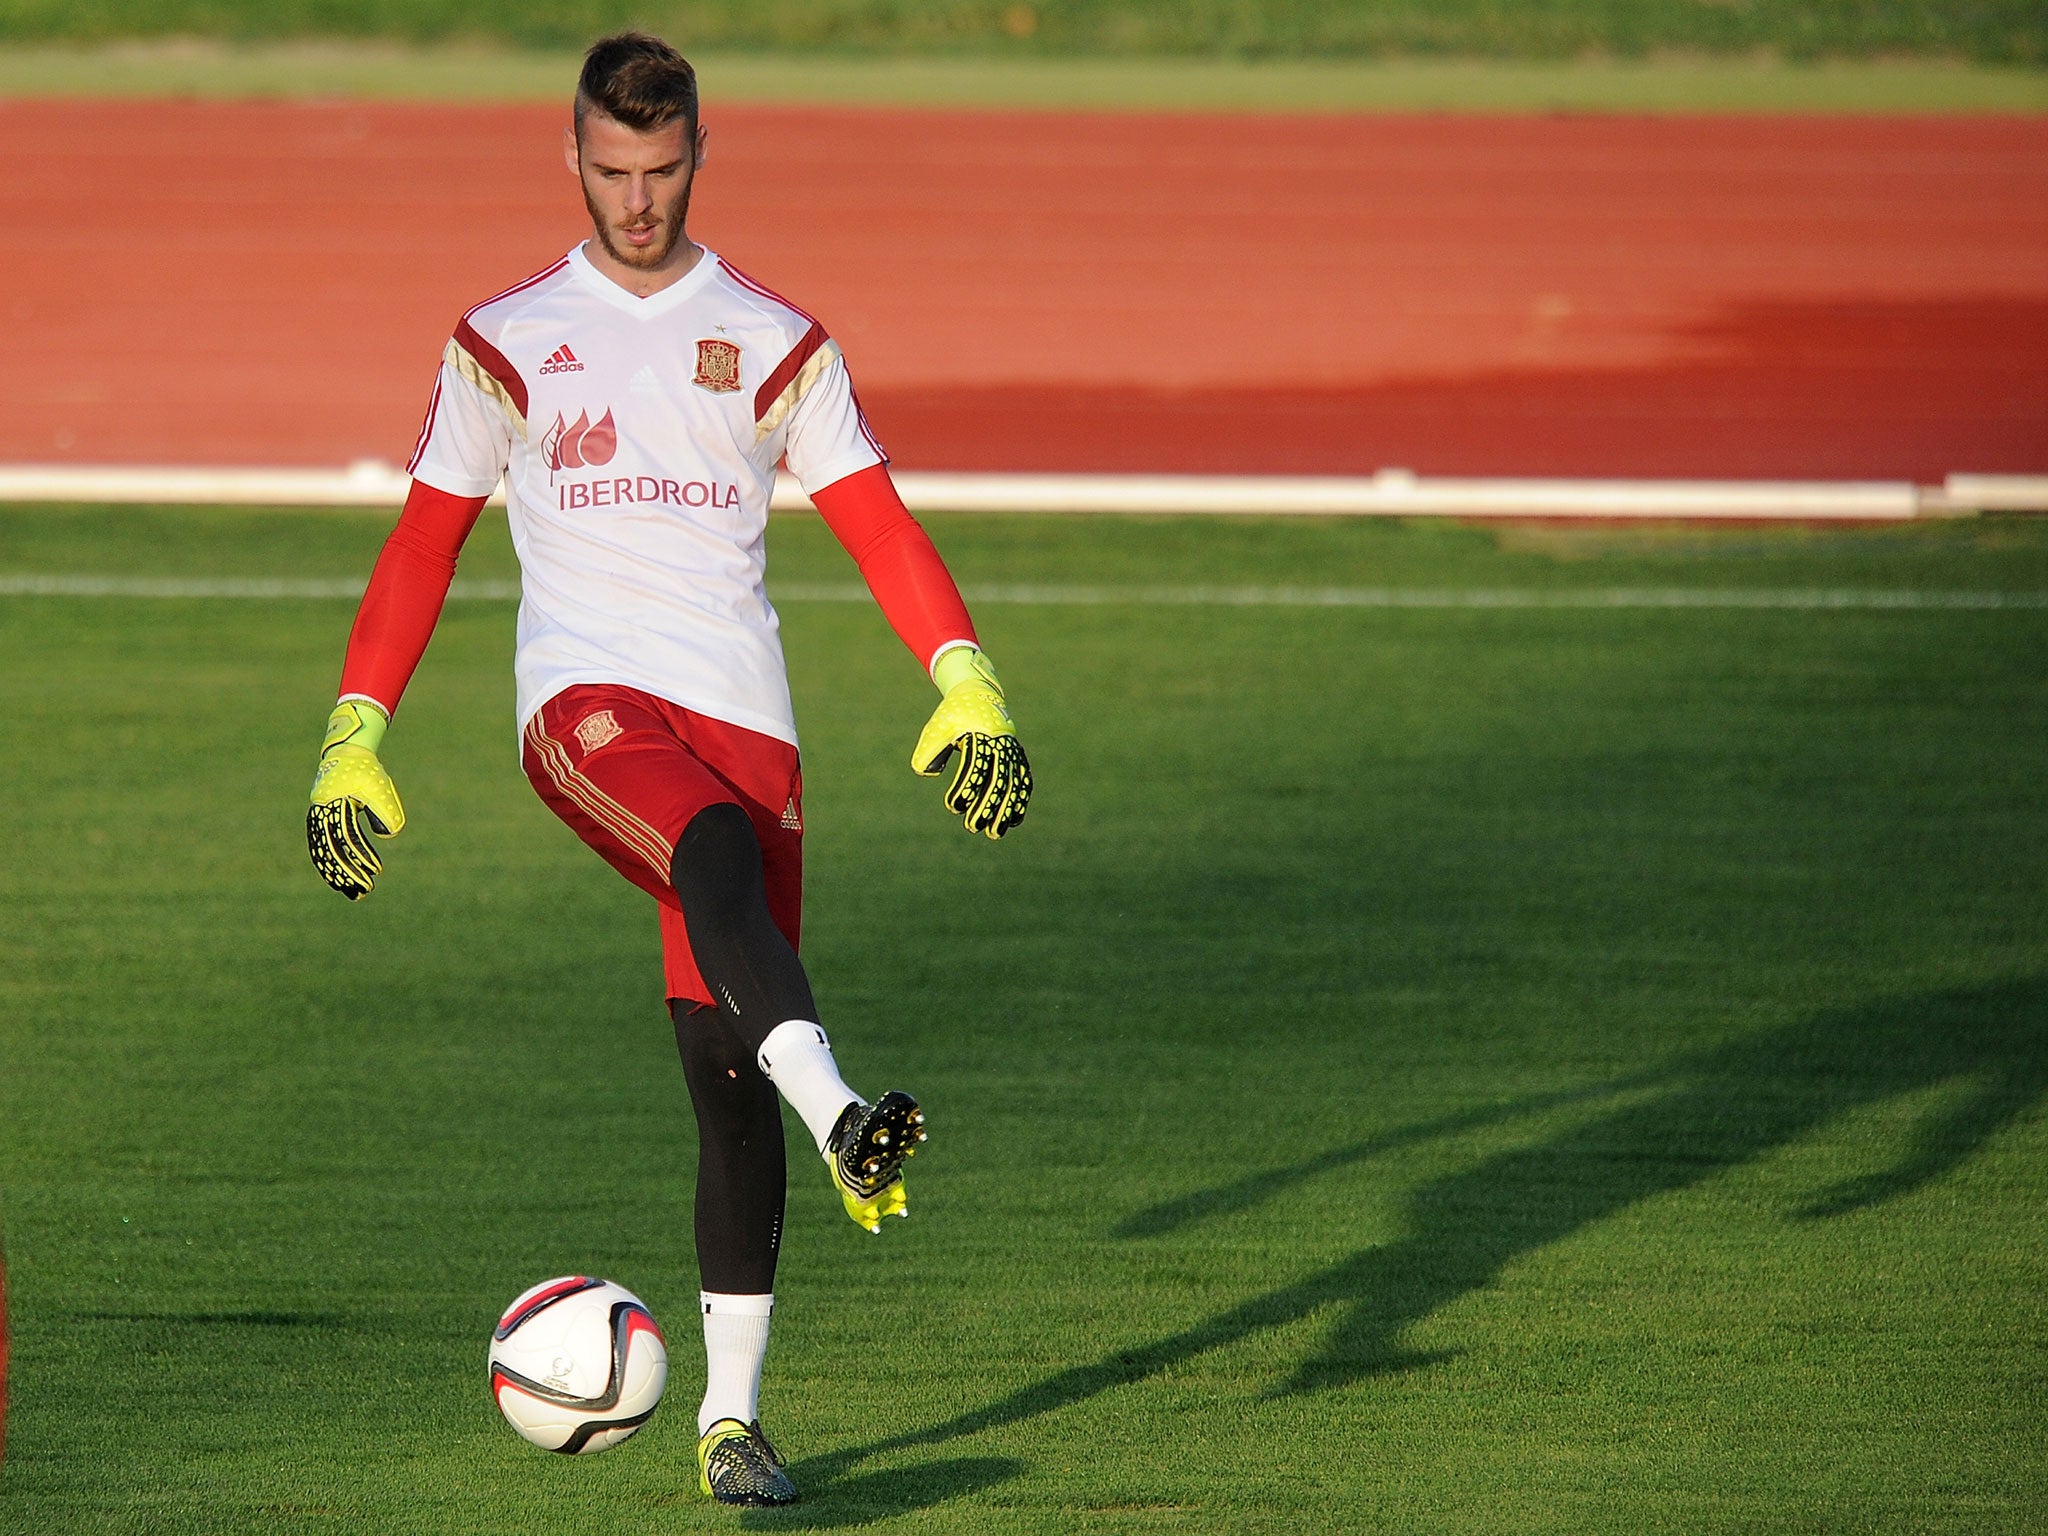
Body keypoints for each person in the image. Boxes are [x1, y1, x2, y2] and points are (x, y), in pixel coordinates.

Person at [304, 32, 1031, 1507]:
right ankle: (847, 1115)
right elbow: (424, 542)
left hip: (750, 726)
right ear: (572, 159)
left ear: (701, 155)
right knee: (706, 853)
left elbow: (878, 522)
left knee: (725, 1071)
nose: (637, 201)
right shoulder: (504, 341)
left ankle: (731, 1423)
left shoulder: (777, 341)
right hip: (589, 709)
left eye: (663, 168)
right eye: (612, 170)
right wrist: (354, 729)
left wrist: (966, 678)